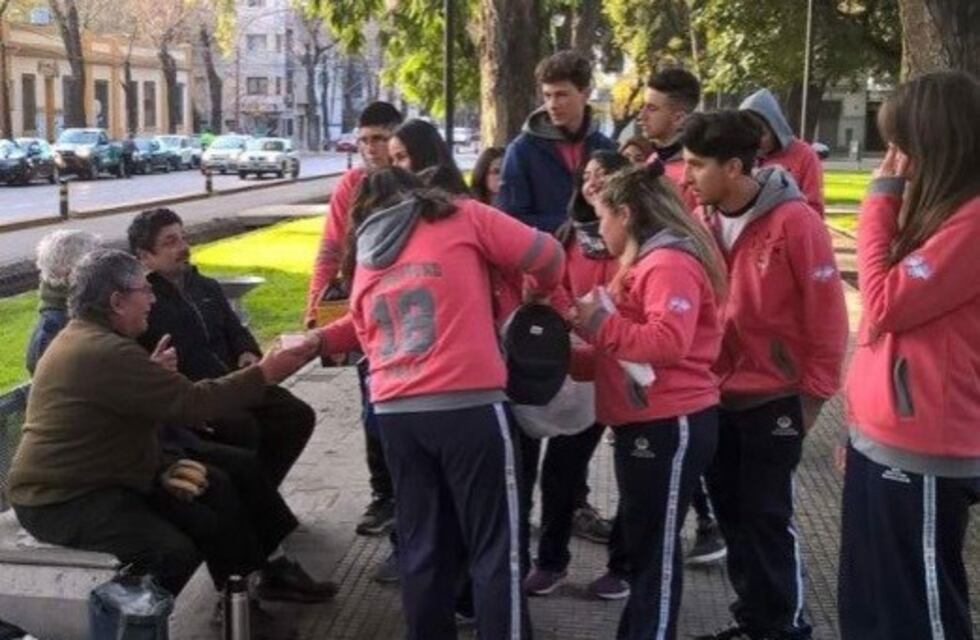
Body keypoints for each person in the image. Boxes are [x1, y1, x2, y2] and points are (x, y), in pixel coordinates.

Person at [313, 167, 564, 640]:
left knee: (422, 546)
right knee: (495, 545)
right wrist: (540, 291)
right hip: (469, 405)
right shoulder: (464, 216)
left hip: (396, 414)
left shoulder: (365, 256)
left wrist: (313, 341)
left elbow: (363, 332)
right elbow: (547, 253)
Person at [7, 249, 316, 599]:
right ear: (117, 301)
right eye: (145, 290)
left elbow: (122, 414)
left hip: (104, 479)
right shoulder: (103, 351)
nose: (152, 299)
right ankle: (132, 623)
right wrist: (266, 372)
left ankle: (242, 602)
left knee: (213, 503)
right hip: (61, 500)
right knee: (171, 552)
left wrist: (157, 459)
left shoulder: (90, 338)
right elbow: (196, 403)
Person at [681, 111, 848, 640]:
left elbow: (828, 315)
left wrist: (814, 399)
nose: (686, 176)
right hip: (717, 395)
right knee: (731, 511)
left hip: (775, 398)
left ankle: (785, 626)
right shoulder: (701, 220)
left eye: (695, 165)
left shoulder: (796, 224)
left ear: (733, 168)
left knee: (766, 515)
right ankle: (753, 619)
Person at [837, 71, 980, 640]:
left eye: (902, 146)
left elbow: (885, 303)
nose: (890, 162)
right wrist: (857, 427)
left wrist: (877, 206)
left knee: (915, 610)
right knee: (866, 599)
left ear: (939, 145)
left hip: (925, 449)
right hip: (882, 436)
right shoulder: (936, 216)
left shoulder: (971, 223)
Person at [569, 162, 726, 639]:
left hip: (670, 423)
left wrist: (597, 324)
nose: (600, 229)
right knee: (645, 546)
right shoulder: (645, 262)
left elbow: (666, 341)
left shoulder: (668, 262)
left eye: (604, 218)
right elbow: (620, 351)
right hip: (647, 422)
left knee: (654, 550)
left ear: (628, 213)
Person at [522, 150, 631, 601]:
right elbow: (550, 285)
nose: (592, 184)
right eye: (586, 176)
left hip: (623, 362)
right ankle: (551, 562)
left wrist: (600, 323)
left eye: (603, 176)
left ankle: (624, 566)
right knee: (561, 469)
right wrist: (567, 313)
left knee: (633, 472)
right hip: (571, 363)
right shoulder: (566, 234)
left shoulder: (634, 237)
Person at [305, 101, 403, 538]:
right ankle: (384, 495)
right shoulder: (351, 185)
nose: (371, 148)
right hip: (364, 317)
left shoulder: (413, 183)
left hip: (409, 313)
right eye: (364, 140)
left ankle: (409, 496)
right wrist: (317, 308)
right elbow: (330, 248)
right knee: (372, 410)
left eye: (379, 139)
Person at [497, 49, 617, 233]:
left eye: (561, 95)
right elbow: (509, 220)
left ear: (585, 94)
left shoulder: (606, 148)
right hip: (544, 257)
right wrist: (571, 226)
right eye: (547, 95)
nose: (552, 104)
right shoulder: (522, 151)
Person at [739, 89, 825, 217]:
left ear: (774, 127)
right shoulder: (740, 155)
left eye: (762, 134)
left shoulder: (804, 155)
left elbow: (814, 206)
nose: (756, 141)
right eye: (749, 135)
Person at [26, 229, 101, 375]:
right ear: (69, 272)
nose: (106, 269)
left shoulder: (86, 311)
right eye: (97, 264)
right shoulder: (53, 333)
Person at [637, 68, 701, 211]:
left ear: (678, 118)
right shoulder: (653, 159)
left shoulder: (694, 172)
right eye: (643, 107)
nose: (641, 116)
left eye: (651, 109)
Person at [388, 119, 469, 194]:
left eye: (401, 157)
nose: (394, 166)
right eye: (391, 160)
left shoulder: (464, 205)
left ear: (423, 155)